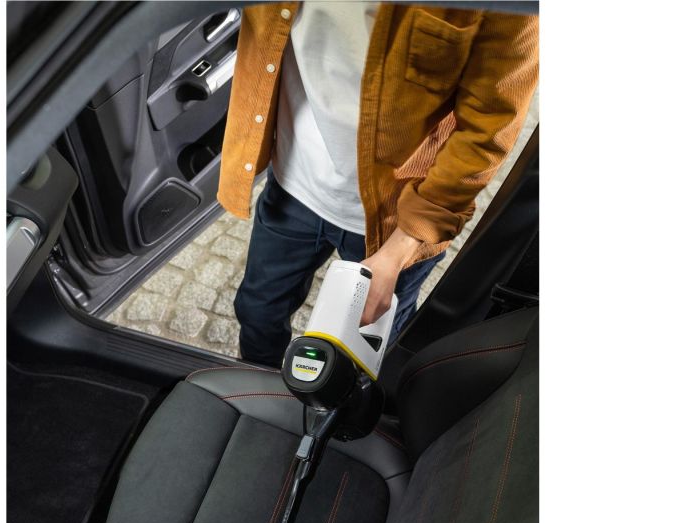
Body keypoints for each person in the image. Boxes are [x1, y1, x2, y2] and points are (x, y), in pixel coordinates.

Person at [216, 2, 539, 368]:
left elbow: (487, 129)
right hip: (294, 181)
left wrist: (401, 248)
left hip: (395, 219)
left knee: (367, 354)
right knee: (256, 314)